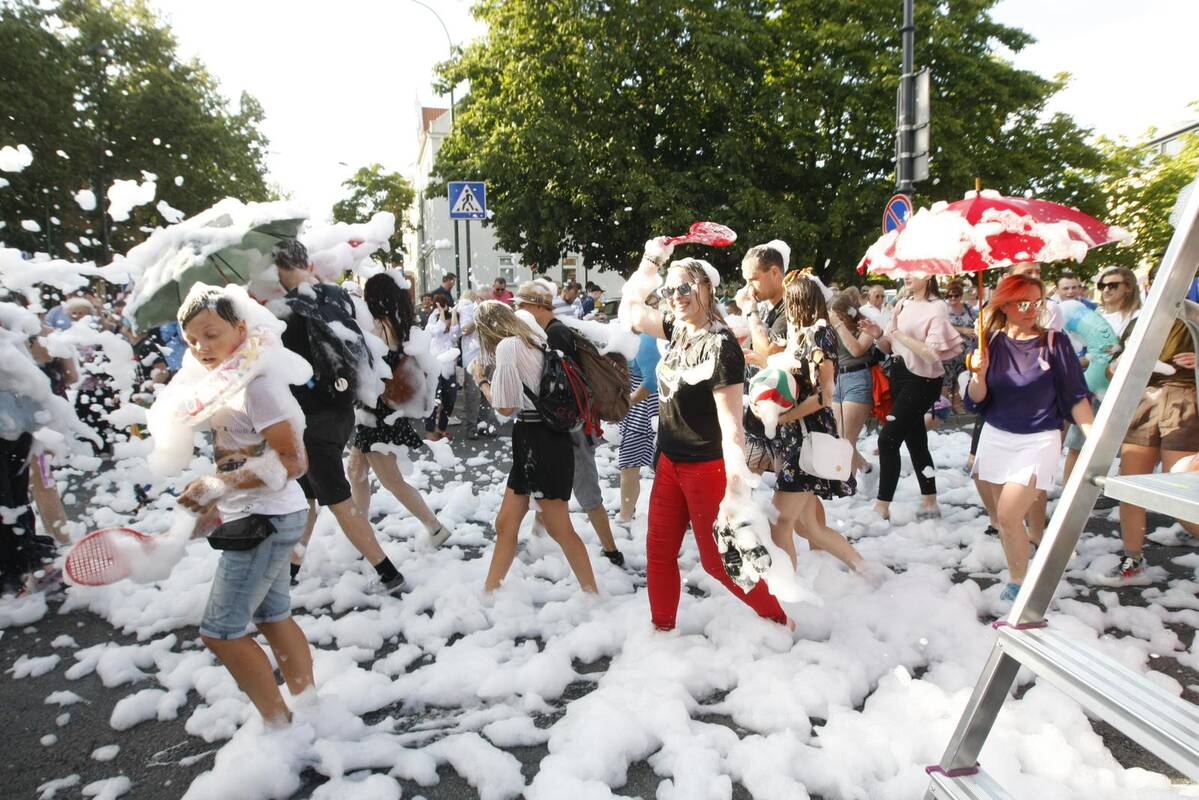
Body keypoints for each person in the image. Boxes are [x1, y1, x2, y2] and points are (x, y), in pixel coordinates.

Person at [623, 240, 789, 631]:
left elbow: (732, 428)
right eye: (670, 289)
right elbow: (630, 309)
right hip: (669, 462)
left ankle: (780, 621)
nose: (675, 296)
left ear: (707, 288)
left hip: (706, 468)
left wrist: (735, 489)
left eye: (685, 287)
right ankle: (661, 632)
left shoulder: (721, 346)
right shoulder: (676, 327)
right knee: (658, 552)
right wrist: (651, 260)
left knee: (718, 562)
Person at [174, 289, 315, 725]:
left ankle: (280, 726)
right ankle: (309, 709)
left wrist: (218, 485)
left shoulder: (258, 386)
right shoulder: (229, 381)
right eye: (191, 340)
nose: (201, 347)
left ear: (240, 329)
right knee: (272, 616)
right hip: (262, 514)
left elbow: (294, 461)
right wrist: (216, 496)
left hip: (266, 519)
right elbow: (243, 455)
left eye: (210, 334)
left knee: (220, 632)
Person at [273, 240, 407, 595]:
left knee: (337, 500)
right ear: (307, 262)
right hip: (341, 408)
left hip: (310, 418)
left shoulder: (283, 311)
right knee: (305, 495)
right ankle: (289, 571)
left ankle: (388, 573)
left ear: (278, 269)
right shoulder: (334, 295)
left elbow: (279, 367)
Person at [964, 274, 1093, 605]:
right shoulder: (990, 342)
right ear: (1004, 305)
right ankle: (1018, 577)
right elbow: (975, 400)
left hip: (1040, 439)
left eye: (1038, 302)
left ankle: (1023, 585)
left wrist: (1093, 438)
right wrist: (978, 374)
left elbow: (1075, 395)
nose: (1032, 309)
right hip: (996, 436)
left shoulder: (1055, 342)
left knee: (1009, 514)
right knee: (1005, 520)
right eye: (1023, 303)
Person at [466, 301, 599, 593]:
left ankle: (592, 594)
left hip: (538, 441)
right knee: (506, 523)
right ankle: (490, 592)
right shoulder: (536, 340)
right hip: (540, 439)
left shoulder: (508, 347)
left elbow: (505, 407)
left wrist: (481, 381)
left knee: (559, 528)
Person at [512, 281, 624, 565]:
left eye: (522, 306)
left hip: (572, 428)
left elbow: (556, 387)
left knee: (586, 490)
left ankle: (612, 551)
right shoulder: (553, 331)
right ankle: (536, 540)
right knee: (545, 483)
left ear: (538, 306)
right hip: (564, 424)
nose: (518, 311)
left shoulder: (556, 336)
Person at [758, 274, 864, 572]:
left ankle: (785, 590)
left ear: (797, 303)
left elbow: (824, 395)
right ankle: (867, 571)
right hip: (800, 436)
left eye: (789, 302)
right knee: (808, 527)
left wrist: (786, 417)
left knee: (780, 523)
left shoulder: (818, 335)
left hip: (806, 437)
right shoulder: (808, 334)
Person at [346, 273, 451, 547]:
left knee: (391, 481)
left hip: (377, 415)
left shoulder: (378, 326)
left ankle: (435, 527)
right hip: (379, 412)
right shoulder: (396, 323)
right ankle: (359, 531)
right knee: (356, 471)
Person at [1106, 312, 1199, 582]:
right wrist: (1118, 364)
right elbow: (1112, 369)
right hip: (1143, 400)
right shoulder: (1142, 320)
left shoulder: (1194, 316)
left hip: (1185, 401)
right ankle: (1132, 558)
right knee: (1131, 485)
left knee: (1180, 489)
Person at [865, 274, 962, 520]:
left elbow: (931, 354)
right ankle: (930, 501)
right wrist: (878, 334)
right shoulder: (902, 303)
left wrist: (898, 333)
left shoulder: (937, 307)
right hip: (899, 374)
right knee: (915, 439)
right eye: (906, 271)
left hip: (923, 379)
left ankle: (882, 507)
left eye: (914, 270)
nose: (907, 275)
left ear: (928, 275)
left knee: (888, 440)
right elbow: (888, 346)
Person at [735, 242, 789, 472]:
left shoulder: (790, 308)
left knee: (790, 487)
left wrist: (750, 311)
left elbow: (766, 354)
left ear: (775, 272)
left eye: (753, 279)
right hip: (765, 414)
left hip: (785, 415)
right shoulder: (769, 307)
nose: (749, 288)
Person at [828, 292, 876, 475]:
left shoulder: (865, 326)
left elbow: (856, 350)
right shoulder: (833, 328)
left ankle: (848, 483)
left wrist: (839, 325)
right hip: (837, 380)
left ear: (848, 313)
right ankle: (866, 469)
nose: (836, 319)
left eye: (839, 316)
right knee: (837, 436)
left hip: (858, 379)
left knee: (846, 438)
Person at [618, 331, 661, 524]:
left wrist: (625, 404)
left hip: (644, 405)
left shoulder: (647, 339)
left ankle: (626, 515)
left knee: (629, 464)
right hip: (642, 403)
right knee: (660, 465)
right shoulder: (643, 334)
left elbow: (650, 382)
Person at [458, 290, 499, 439]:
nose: (487, 304)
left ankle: (484, 424)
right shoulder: (468, 309)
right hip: (472, 359)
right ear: (478, 299)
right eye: (485, 300)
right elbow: (464, 330)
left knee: (487, 393)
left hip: (488, 357)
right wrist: (479, 318)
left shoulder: (491, 312)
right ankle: (472, 426)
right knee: (473, 394)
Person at [424, 293, 460, 441]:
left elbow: (456, 333)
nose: (447, 325)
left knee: (450, 400)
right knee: (434, 400)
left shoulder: (450, 323)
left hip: (449, 368)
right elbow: (438, 329)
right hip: (434, 368)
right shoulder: (432, 322)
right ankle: (430, 430)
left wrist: (454, 313)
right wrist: (440, 312)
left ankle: (442, 428)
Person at [943, 279, 978, 413]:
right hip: (948, 351)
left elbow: (977, 322)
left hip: (965, 351)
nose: (952, 298)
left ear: (961, 295)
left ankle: (957, 404)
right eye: (949, 296)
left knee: (961, 377)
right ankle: (944, 407)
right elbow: (941, 325)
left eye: (956, 295)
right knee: (946, 380)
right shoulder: (943, 309)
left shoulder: (968, 309)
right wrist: (962, 330)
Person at [1095, 266, 1141, 338]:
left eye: (1112, 285)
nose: (1106, 290)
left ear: (1128, 287)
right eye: (1102, 286)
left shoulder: (1137, 317)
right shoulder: (1097, 313)